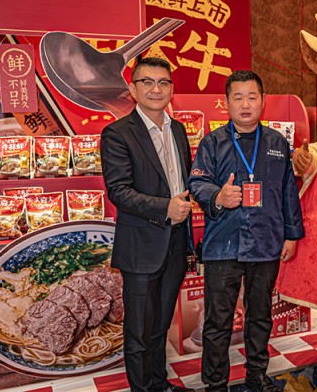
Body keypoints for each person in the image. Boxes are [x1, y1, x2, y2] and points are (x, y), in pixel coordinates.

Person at [189, 70, 304, 392]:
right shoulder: (212, 143)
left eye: (252, 97)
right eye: (237, 97)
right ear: (226, 103)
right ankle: (215, 384)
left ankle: (256, 375)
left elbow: (287, 192)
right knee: (217, 321)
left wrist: (293, 234)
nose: (245, 104)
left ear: (263, 102)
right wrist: (218, 196)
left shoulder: (277, 143)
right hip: (223, 244)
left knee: (260, 316)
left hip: (267, 241)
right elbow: (197, 182)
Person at [101, 57, 194, 392]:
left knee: (159, 327)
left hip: (175, 242)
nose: (156, 89)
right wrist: (165, 207)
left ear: (171, 88)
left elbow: (182, 181)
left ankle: (160, 383)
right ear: (133, 89)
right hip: (141, 246)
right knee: (139, 331)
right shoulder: (117, 133)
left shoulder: (178, 129)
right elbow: (119, 191)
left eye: (163, 82)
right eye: (147, 82)